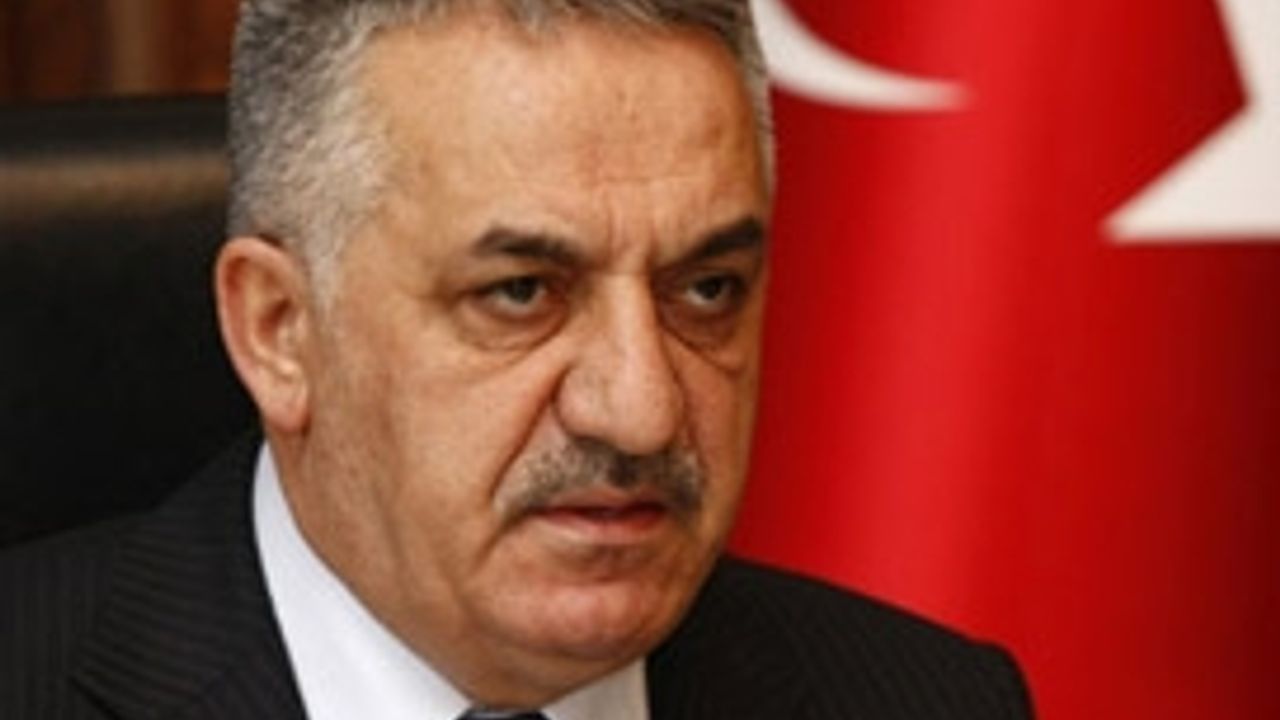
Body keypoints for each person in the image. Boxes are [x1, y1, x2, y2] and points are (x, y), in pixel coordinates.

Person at [1, 1, 1034, 718]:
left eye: (706, 290)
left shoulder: (926, 701)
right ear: (280, 329)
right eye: (522, 294)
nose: (640, 409)